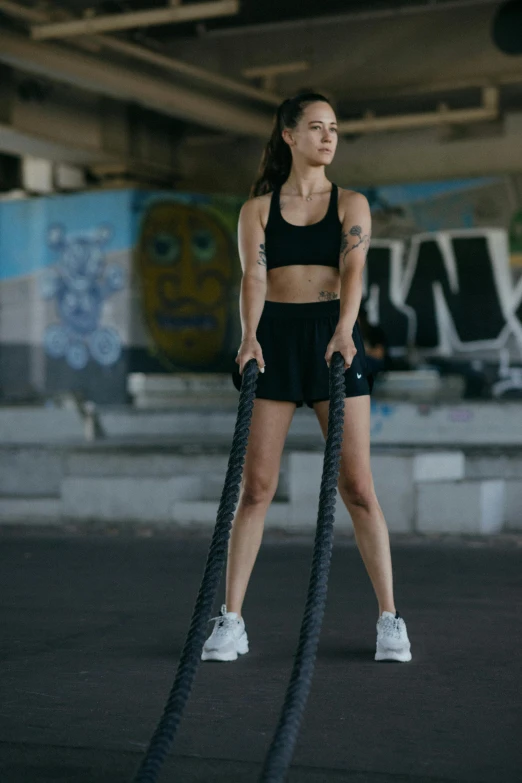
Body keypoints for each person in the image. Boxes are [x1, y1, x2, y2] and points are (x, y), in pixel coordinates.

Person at [201, 93, 412, 664]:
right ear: (289, 136)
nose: (328, 137)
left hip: (331, 337)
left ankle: (390, 619)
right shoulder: (257, 209)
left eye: (334, 129)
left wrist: (346, 330)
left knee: (359, 490)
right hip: (273, 339)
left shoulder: (352, 203)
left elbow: (354, 268)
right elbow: (253, 279)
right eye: (316, 128)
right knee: (257, 490)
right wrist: (248, 336)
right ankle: (231, 620)